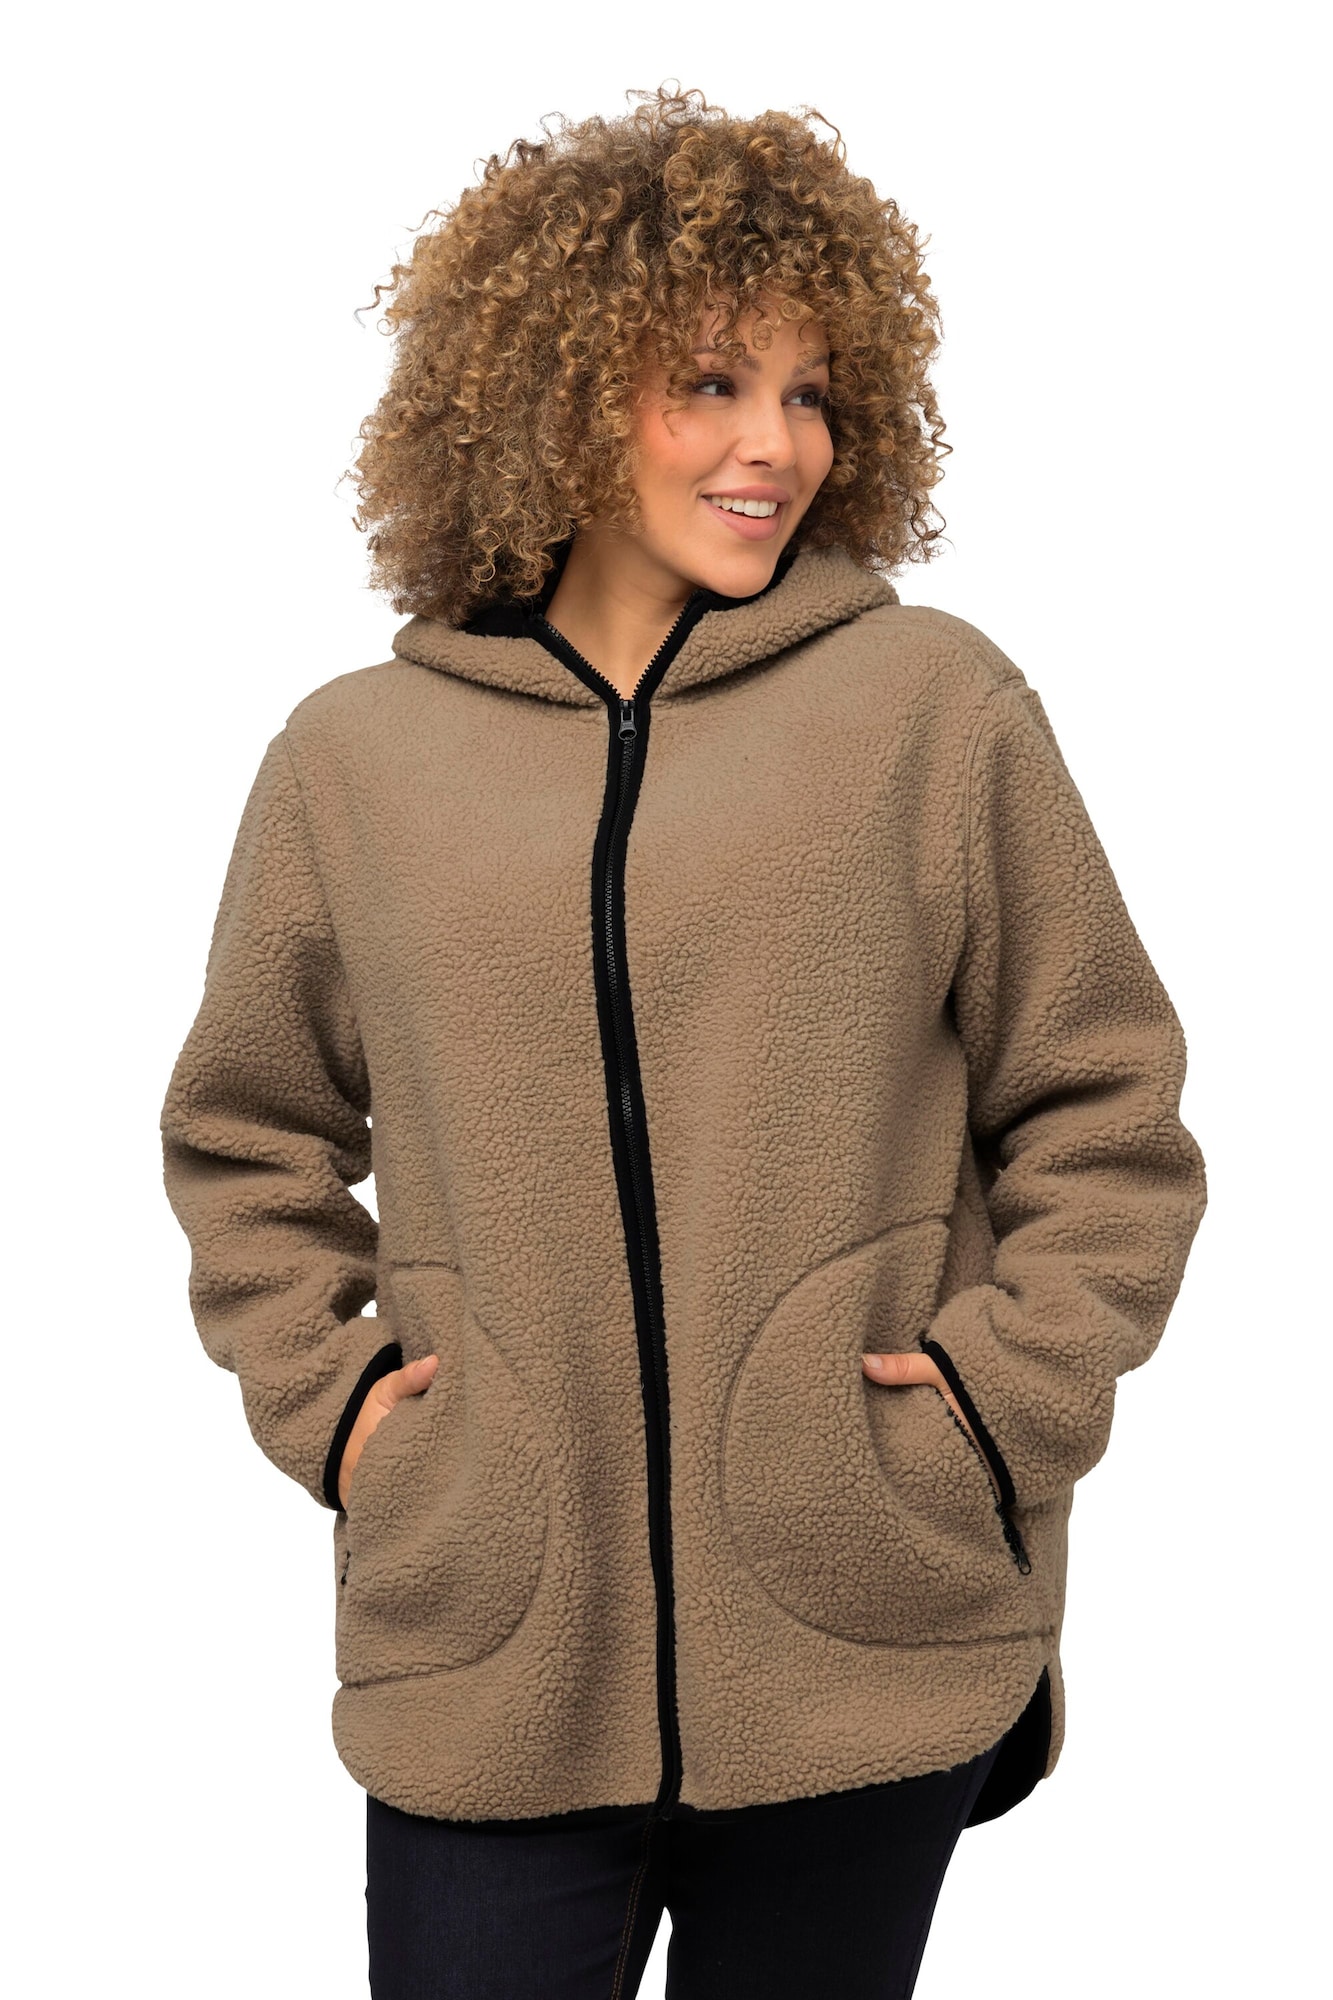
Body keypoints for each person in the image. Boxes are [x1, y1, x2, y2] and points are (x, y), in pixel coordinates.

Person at [161, 83, 1208, 1999]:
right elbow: (248, 1137)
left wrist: (994, 1407)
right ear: (554, 397)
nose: (772, 446)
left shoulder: (929, 708)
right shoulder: (354, 762)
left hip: (859, 1623)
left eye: (809, 393)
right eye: (708, 385)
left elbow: (1102, 1108)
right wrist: (344, 1408)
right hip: (491, 1635)